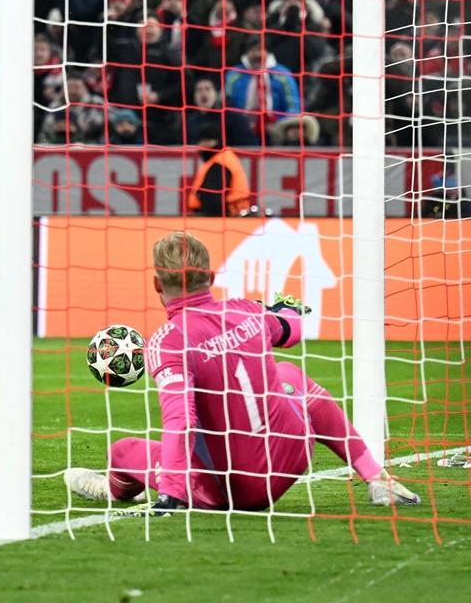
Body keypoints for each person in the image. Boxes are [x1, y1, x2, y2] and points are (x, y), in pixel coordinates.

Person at [63, 232, 421, 512]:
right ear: (212, 276)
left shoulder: (168, 341)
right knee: (291, 376)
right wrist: (285, 310)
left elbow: (181, 422)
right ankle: (377, 478)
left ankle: (111, 489)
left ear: (158, 284)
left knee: (123, 450)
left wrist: (171, 494)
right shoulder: (248, 311)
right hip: (291, 460)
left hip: (232, 490)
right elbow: (291, 330)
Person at [186, 123, 252, 217]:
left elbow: (212, 199)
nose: (204, 145)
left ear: (218, 142)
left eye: (208, 141)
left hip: (226, 217)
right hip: (232, 214)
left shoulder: (219, 163)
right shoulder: (222, 158)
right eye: (202, 142)